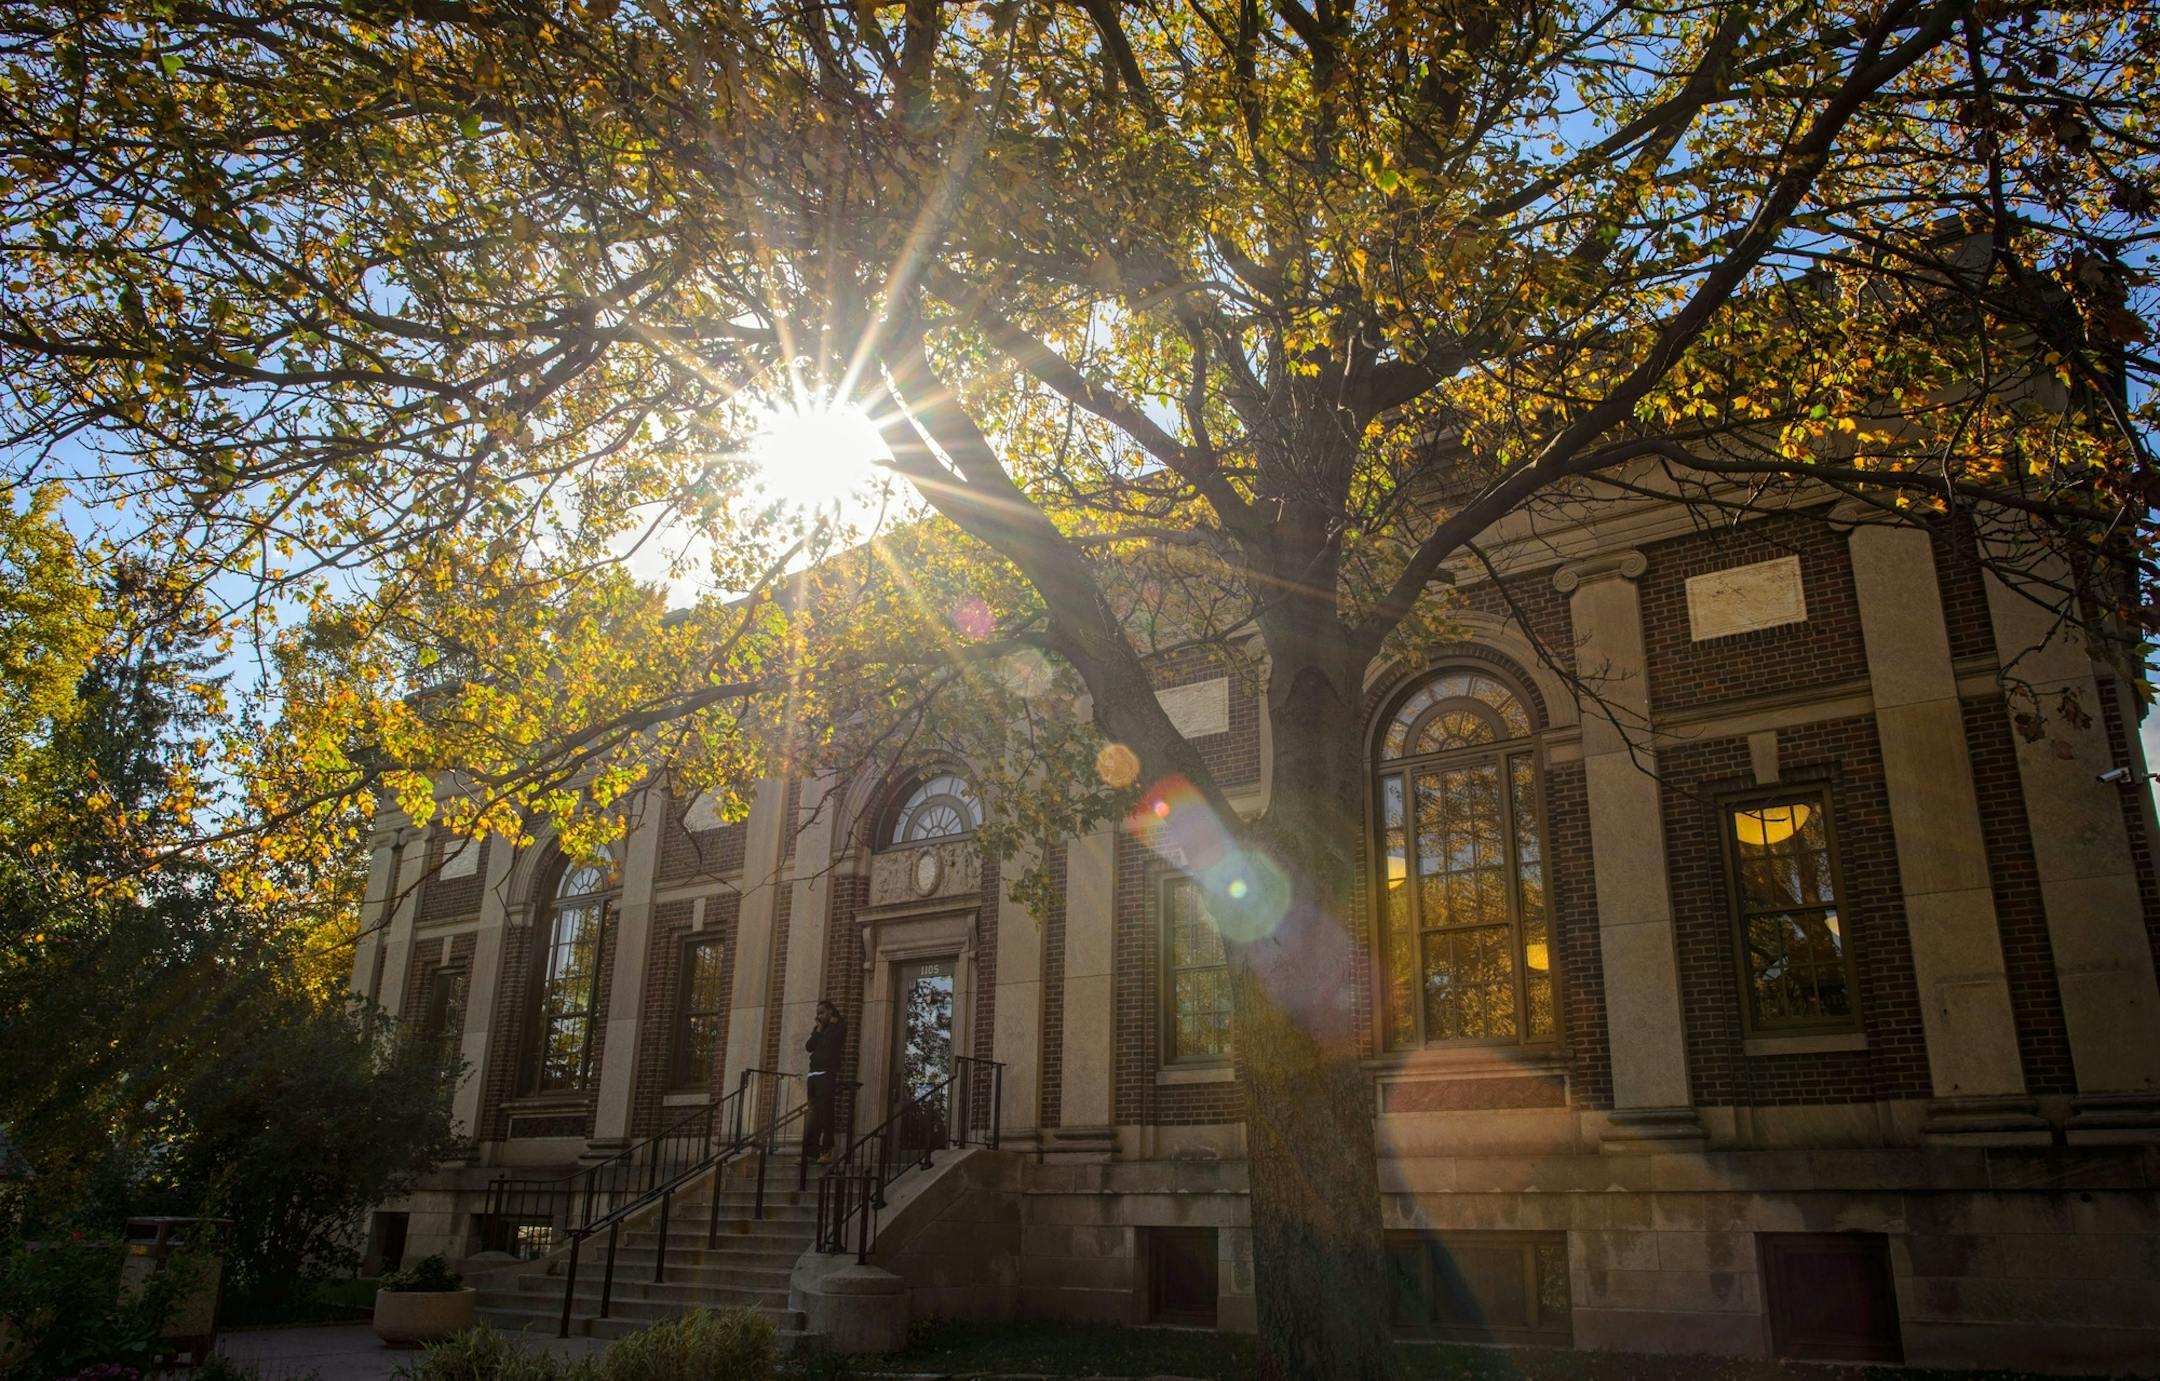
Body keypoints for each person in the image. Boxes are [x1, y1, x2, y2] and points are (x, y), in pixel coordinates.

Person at [803, 998, 846, 1163]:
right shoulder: (819, 1029)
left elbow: (831, 1044)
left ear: (830, 1011)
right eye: (817, 1014)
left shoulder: (839, 1026)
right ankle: (810, 1152)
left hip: (826, 1073)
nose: (819, 1016)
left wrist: (829, 1027)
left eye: (821, 1013)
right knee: (813, 1114)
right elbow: (809, 1047)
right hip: (813, 1074)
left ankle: (826, 1150)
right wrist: (819, 1029)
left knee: (826, 1112)